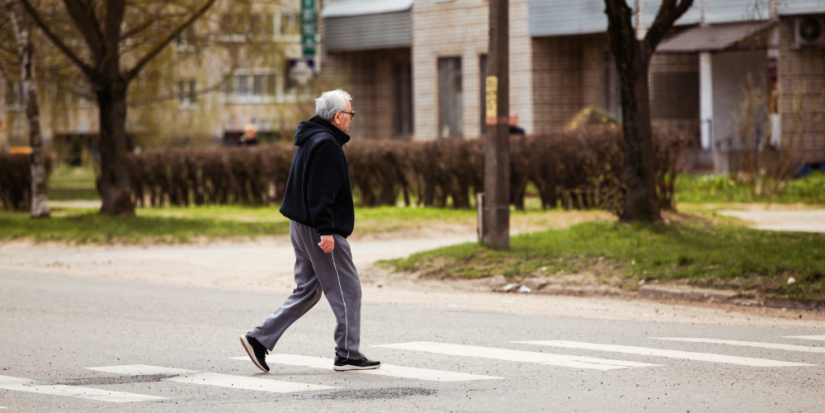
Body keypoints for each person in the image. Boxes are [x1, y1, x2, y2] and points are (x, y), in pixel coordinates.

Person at [240, 90, 380, 373]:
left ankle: (259, 338)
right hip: (318, 229)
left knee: (307, 291)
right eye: (350, 114)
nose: (352, 119)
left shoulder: (312, 138)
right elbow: (320, 193)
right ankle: (348, 354)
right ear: (338, 116)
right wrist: (326, 232)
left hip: (300, 225)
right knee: (348, 291)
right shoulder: (326, 143)